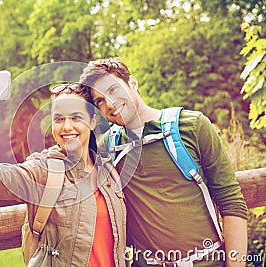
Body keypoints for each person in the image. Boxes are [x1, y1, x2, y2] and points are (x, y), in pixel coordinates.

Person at [79, 58, 248, 267]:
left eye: (113, 90)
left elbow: (231, 202)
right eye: (100, 101)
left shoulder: (193, 126)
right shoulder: (107, 148)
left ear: (132, 83)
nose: (110, 104)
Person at [0, 71, 128, 267]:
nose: (66, 127)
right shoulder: (45, 169)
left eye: (76, 117)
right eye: (59, 119)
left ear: (92, 121)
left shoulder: (108, 172)